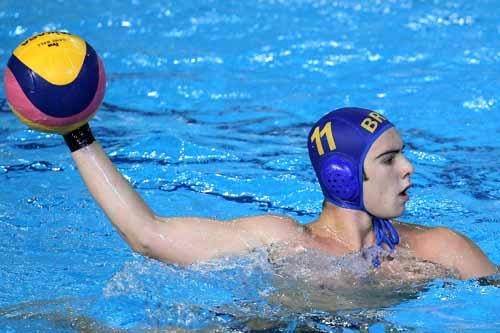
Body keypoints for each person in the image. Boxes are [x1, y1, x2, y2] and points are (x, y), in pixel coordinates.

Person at [62, 107, 497, 280]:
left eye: (402, 155)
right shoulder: (282, 241)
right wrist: (75, 132)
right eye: (388, 160)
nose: (408, 168)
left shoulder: (440, 247)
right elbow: (147, 234)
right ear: (343, 175)